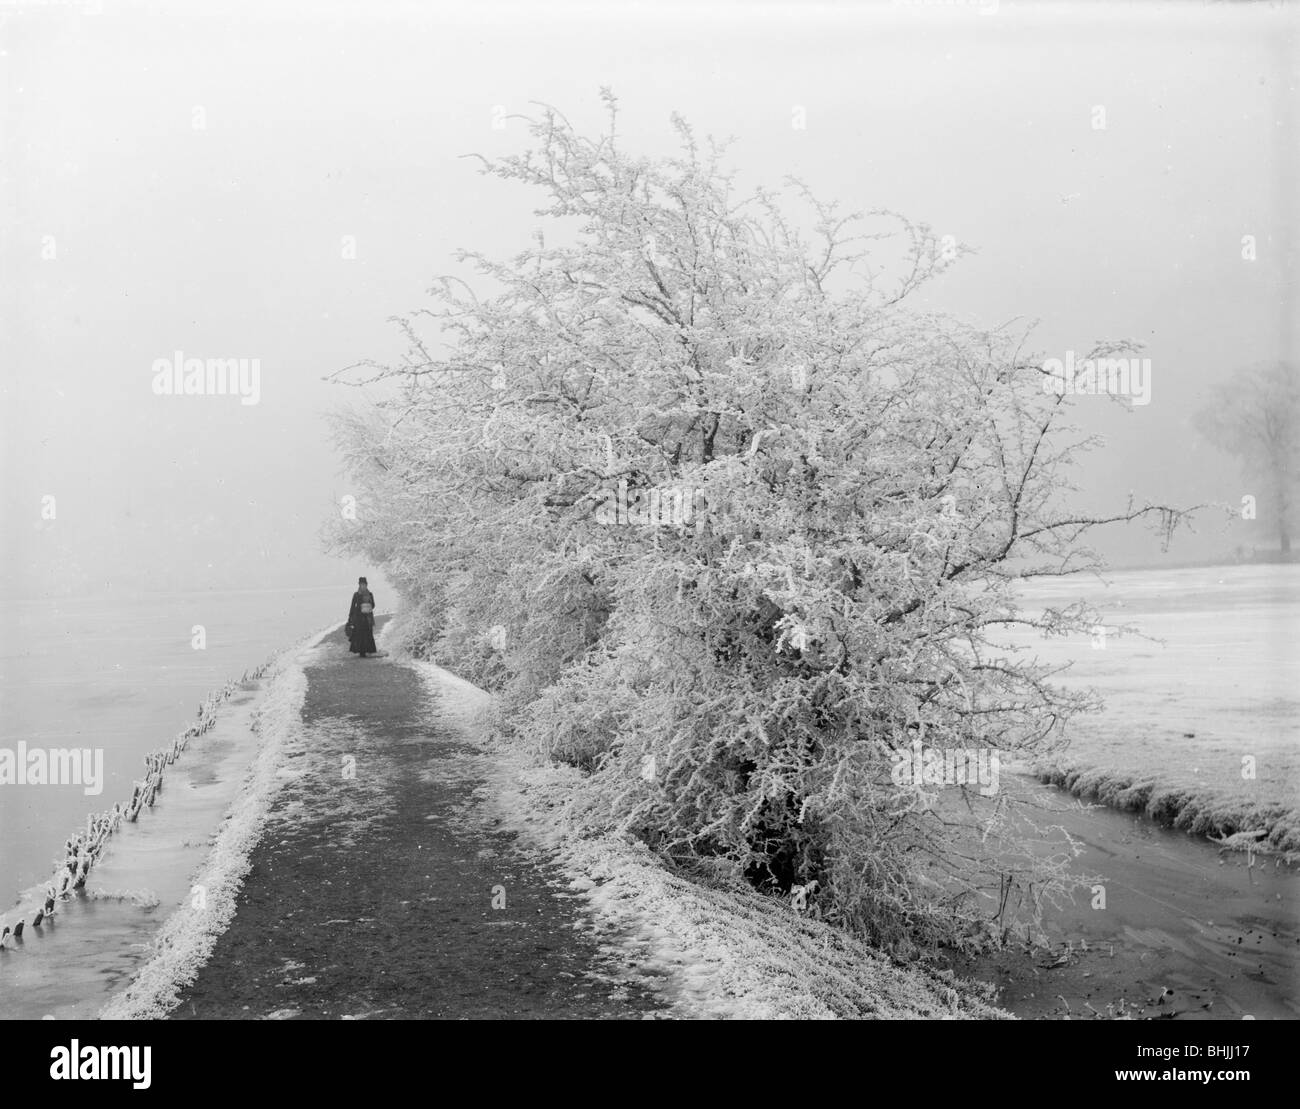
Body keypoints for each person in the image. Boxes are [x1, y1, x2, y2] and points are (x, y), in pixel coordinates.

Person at [345, 576, 378, 658]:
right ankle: (361, 651)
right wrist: (350, 618)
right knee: (359, 635)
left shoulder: (370, 594)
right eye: (361, 584)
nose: (363, 586)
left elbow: (373, 604)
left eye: (364, 584)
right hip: (358, 618)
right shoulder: (356, 595)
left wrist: (368, 606)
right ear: (359, 585)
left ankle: (368, 650)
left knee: (368, 634)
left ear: (367, 585)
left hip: (368, 617)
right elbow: (352, 606)